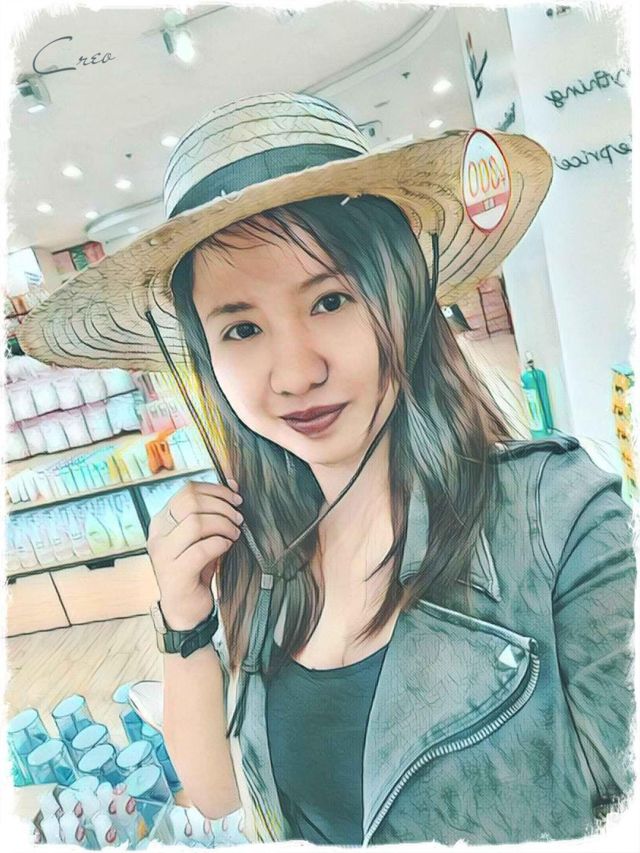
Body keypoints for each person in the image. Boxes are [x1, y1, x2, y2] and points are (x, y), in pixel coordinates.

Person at [18, 92, 635, 846]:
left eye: (332, 300)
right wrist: (183, 614)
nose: (295, 373)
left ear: (402, 298)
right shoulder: (259, 546)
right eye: (241, 328)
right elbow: (216, 793)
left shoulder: (559, 519)